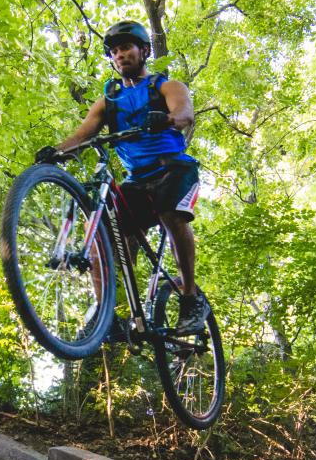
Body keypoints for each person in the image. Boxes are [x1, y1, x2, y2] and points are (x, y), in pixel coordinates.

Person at [35, 20, 209, 335]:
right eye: (114, 51)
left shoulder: (165, 86)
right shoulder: (109, 100)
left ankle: (190, 298)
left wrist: (167, 118)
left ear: (144, 51)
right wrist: (56, 152)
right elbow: (82, 136)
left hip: (174, 169)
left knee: (171, 214)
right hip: (137, 180)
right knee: (103, 229)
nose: (120, 55)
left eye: (126, 48)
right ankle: (107, 314)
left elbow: (185, 114)